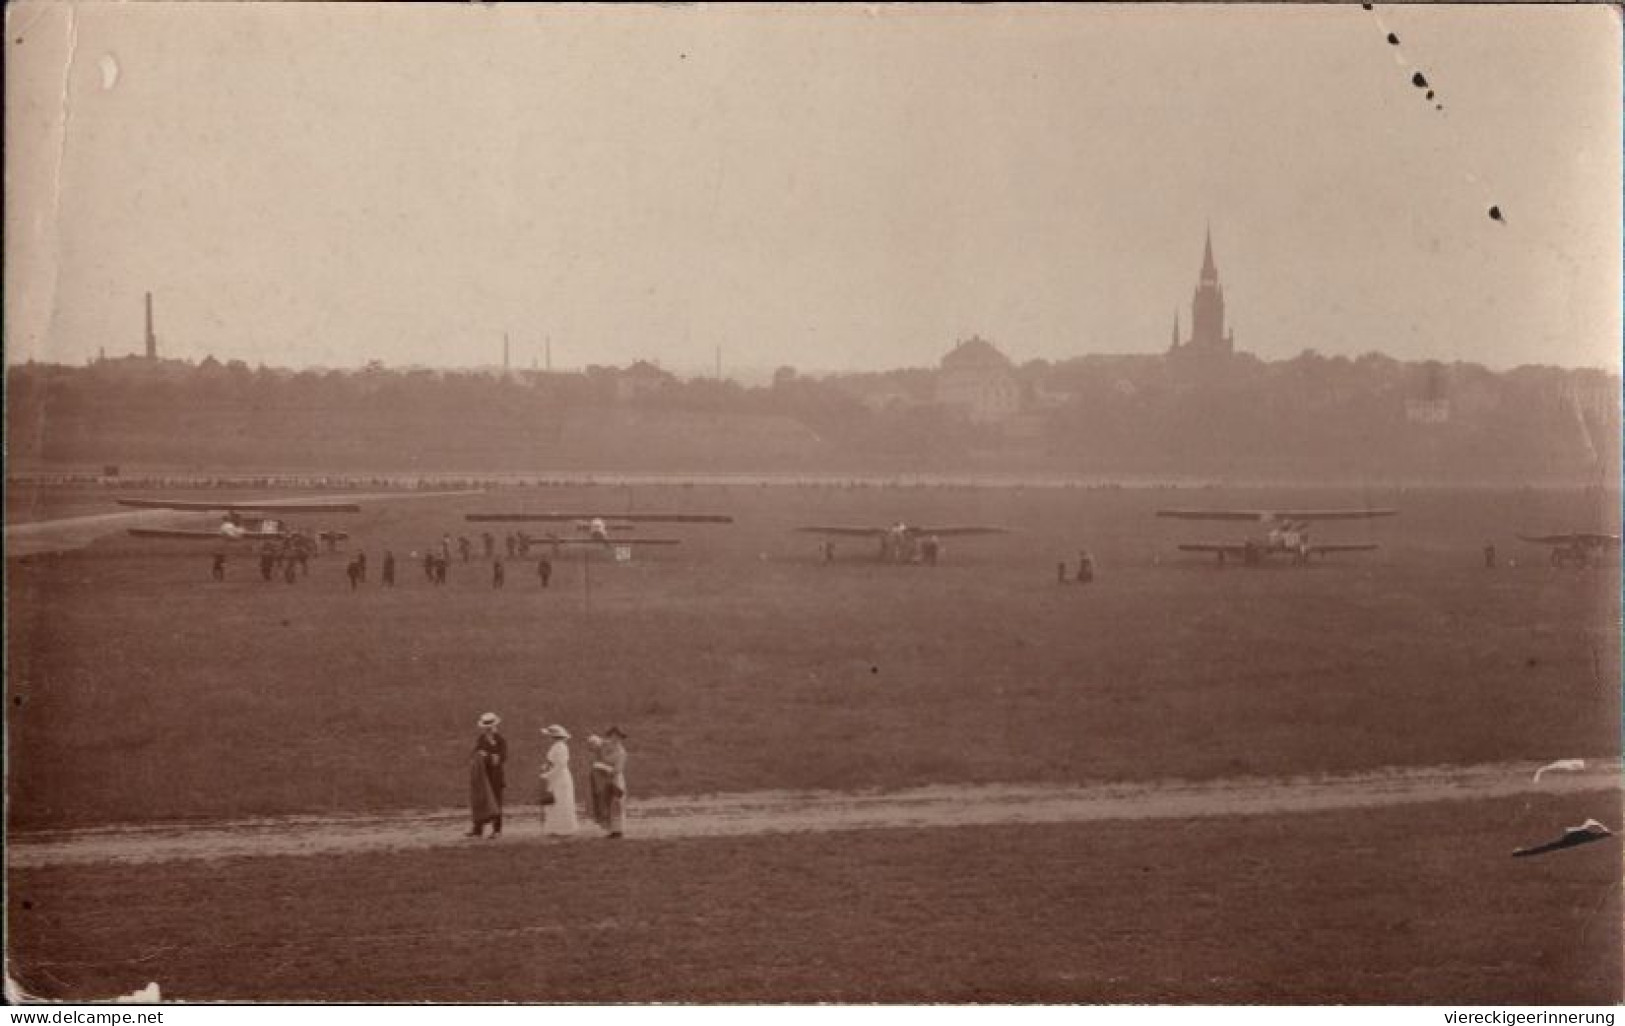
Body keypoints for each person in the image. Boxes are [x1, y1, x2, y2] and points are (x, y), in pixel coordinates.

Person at [468, 712, 508, 838]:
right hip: (483, 776)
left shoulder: (500, 740)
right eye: (486, 728)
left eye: (490, 727)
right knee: (481, 800)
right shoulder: (481, 739)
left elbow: (502, 757)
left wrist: (489, 756)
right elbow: (474, 754)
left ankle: (497, 830)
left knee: (496, 802)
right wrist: (479, 756)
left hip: (495, 776)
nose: (488, 730)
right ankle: (478, 828)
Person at [539, 724, 578, 837]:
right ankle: (554, 828)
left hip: (560, 777)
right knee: (555, 801)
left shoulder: (561, 747)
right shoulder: (556, 746)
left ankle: (564, 829)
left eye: (549, 735)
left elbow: (560, 765)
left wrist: (548, 774)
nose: (548, 738)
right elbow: (552, 762)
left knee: (561, 801)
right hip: (556, 777)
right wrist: (546, 766)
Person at [599, 726, 629, 839]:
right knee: (611, 804)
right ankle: (613, 829)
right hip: (609, 777)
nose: (614, 739)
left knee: (617, 803)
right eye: (612, 736)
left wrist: (606, 769)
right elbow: (604, 756)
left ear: (621, 738)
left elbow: (618, 769)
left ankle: (619, 830)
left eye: (617, 736)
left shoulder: (621, 752)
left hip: (616, 778)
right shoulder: (611, 748)